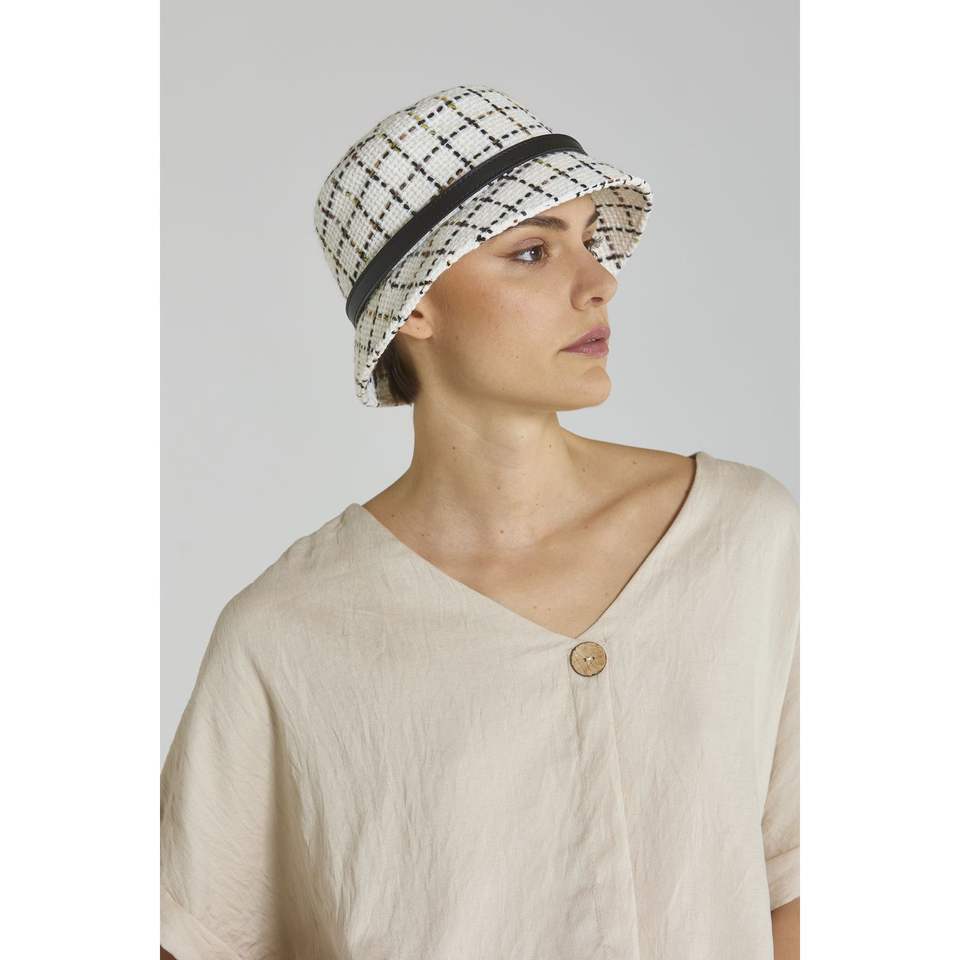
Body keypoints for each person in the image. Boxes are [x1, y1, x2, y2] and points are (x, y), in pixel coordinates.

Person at [160, 84, 800, 960]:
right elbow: (200, 929)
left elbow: (804, 882)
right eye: (532, 251)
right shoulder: (287, 634)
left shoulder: (739, 535)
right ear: (415, 306)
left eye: (589, 241)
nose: (599, 283)